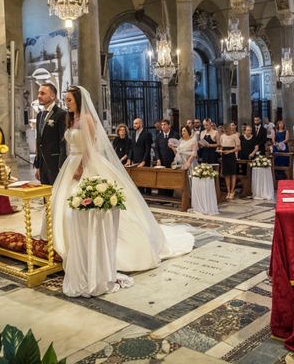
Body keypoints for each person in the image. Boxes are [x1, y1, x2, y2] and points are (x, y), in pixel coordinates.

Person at [50, 86, 194, 296]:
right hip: (71, 163)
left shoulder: (87, 119)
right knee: (62, 204)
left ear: (79, 100)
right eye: (65, 100)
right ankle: (67, 246)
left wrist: (81, 168)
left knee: (87, 204)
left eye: (69, 100)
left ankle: (98, 249)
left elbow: (90, 147)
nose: (67, 103)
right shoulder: (70, 120)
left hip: (84, 164)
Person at [34, 83, 67, 185]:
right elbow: (39, 140)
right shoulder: (40, 115)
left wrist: (61, 164)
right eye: (39, 93)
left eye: (43, 93)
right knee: (45, 195)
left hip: (55, 162)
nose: (39, 96)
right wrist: (38, 166)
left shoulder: (61, 114)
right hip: (43, 164)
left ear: (52, 96)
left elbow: (63, 141)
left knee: (56, 194)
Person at [219, 122, 241, 199]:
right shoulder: (222, 136)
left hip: (231, 155)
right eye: (224, 131)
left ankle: (232, 190)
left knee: (233, 173)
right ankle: (228, 191)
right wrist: (220, 151)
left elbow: (238, 148)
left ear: (230, 129)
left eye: (227, 130)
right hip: (225, 156)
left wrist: (230, 151)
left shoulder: (235, 136)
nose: (226, 132)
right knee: (226, 174)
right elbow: (221, 146)